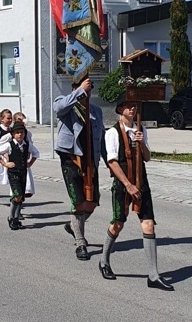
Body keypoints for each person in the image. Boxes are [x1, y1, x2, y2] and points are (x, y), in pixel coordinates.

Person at [98, 99, 173, 291]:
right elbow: (112, 162)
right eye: (128, 106)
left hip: (142, 182)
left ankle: (153, 275)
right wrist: (128, 185)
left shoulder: (141, 129)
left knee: (148, 224)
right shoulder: (113, 132)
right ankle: (104, 260)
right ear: (120, 109)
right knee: (117, 224)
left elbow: (147, 157)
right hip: (123, 184)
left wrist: (141, 143)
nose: (132, 109)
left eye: (134, 106)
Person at [53, 75, 105, 261]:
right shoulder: (65, 104)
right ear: (73, 90)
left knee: (92, 202)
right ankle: (80, 243)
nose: (85, 94)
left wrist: (110, 162)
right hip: (71, 159)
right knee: (78, 201)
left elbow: (102, 138)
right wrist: (79, 90)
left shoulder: (96, 112)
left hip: (91, 161)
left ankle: (72, 225)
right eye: (82, 90)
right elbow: (58, 108)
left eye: (88, 91)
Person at [0, 122, 38, 230]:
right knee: (17, 195)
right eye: (17, 132)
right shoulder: (9, 145)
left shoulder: (27, 145)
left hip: (23, 172)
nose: (20, 135)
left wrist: (30, 163)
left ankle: (16, 218)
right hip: (13, 173)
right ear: (13, 134)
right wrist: (5, 163)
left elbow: (36, 153)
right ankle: (12, 217)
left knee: (21, 197)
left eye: (22, 132)